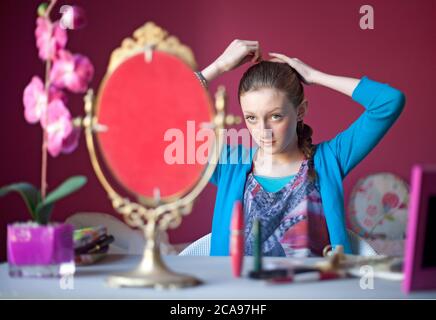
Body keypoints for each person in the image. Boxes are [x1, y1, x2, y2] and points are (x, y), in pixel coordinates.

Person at [195, 40, 405, 257]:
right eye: (251, 118)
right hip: (239, 291)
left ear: (301, 111)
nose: (263, 130)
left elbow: (389, 102)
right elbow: (159, 125)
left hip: (316, 290)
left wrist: (315, 76)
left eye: (275, 116)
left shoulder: (329, 159)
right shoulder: (228, 164)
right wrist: (217, 67)